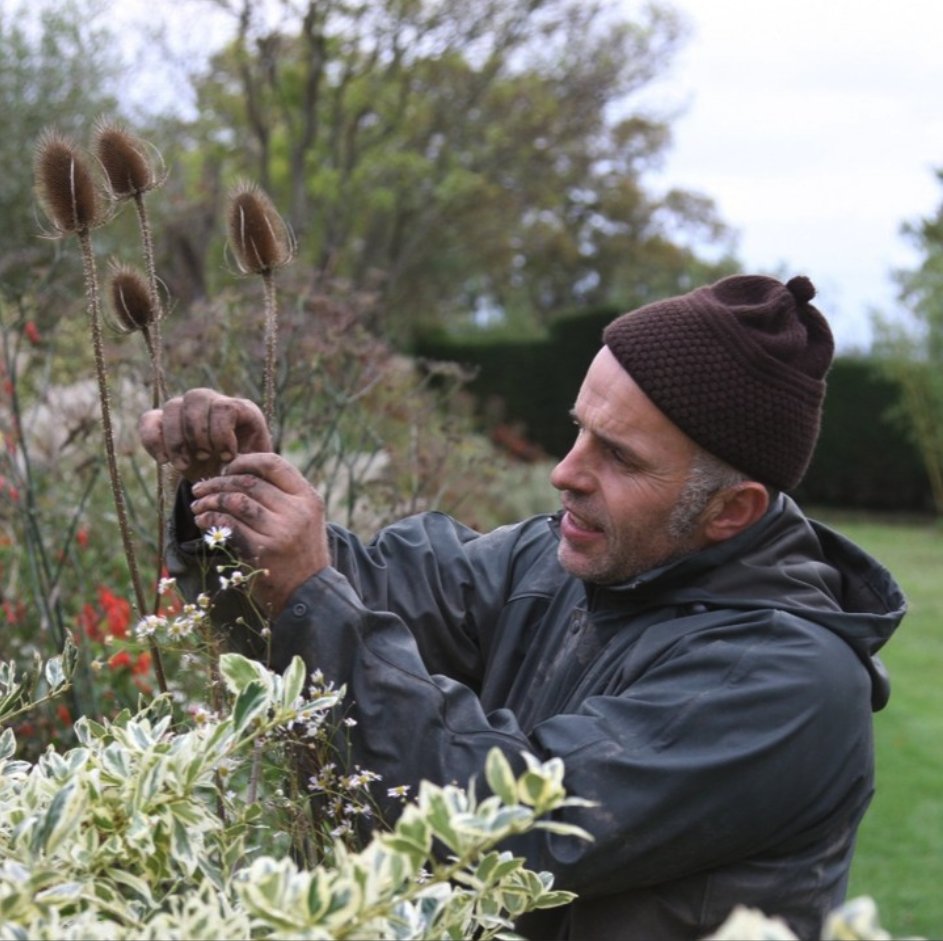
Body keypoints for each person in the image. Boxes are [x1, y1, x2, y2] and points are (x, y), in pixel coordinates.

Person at [139, 274, 905, 940]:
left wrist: (309, 594)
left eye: (620, 456)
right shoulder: (560, 562)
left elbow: (493, 821)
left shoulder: (783, 684)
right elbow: (361, 586)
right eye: (580, 431)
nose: (564, 472)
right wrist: (232, 503)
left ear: (730, 511)